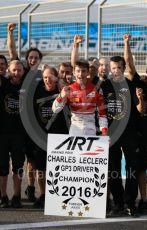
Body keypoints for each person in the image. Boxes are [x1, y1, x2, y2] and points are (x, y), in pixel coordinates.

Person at [101, 55, 145, 216]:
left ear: (123, 68)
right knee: (113, 170)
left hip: (130, 134)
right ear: (110, 69)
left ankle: (130, 203)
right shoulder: (104, 85)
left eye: (119, 67)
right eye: (113, 68)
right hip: (111, 134)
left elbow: (141, 110)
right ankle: (118, 203)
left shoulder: (131, 85)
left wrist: (140, 99)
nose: (116, 70)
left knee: (132, 168)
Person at [7, 22, 43, 202]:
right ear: (27, 60)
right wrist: (10, 33)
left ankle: (40, 191)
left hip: (37, 125)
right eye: (30, 57)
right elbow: (13, 54)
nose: (33, 60)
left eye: (36, 57)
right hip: (22, 127)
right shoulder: (22, 72)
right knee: (29, 161)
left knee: (37, 161)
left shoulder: (43, 75)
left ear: (40, 59)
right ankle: (29, 188)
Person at [30, 66, 69, 208]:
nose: (48, 80)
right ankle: (43, 194)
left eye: (51, 77)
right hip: (41, 136)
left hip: (60, 136)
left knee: (59, 167)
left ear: (56, 77)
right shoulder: (37, 92)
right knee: (41, 168)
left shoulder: (62, 90)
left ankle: (58, 195)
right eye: (45, 77)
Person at [124, 33, 147, 213]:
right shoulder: (138, 83)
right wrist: (127, 43)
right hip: (142, 134)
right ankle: (144, 199)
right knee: (141, 168)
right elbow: (129, 64)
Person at [52, 60, 108, 136]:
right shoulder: (68, 89)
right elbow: (55, 110)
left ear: (88, 72)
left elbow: (102, 114)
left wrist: (104, 131)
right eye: (78, 71)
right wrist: (61, 96)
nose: (80, 74)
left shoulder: (97, 89)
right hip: (75, 129)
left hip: (91, 129)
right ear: (74, 73)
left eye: (83, 71)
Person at [0, 60, 26, 208]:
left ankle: (16, 196)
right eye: (14, 70)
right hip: (2, 134)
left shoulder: (27, 85)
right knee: (2, 168)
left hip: (20, 135)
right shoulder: (3, 84)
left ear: (23, 71)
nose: (16, 73)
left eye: (19, 70)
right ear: (8, 71)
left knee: (18, 167)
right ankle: (3, 196)